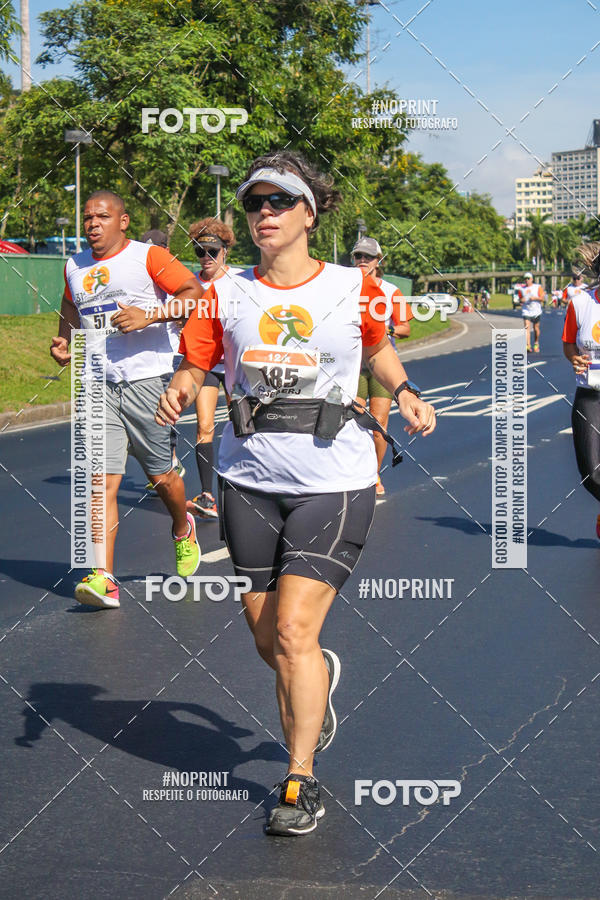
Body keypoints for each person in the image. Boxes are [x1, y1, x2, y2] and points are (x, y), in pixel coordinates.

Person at [156, 150, 436, 836]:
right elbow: (197, 361)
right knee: (268, 638)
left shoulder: (353, 286)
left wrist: (402, 391)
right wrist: (181, 388)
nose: (263, 214)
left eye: (278, 201)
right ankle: (318, 676)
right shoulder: (224, 293)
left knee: (291, 628)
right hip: (248, 476)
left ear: (310, 212)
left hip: (332, 478)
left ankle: (298, 779)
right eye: (253, 203)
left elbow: (375, 350)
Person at [50, 190, 203, 608]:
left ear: (123, 221)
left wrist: (149, 315)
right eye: (87, 218)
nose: (92, 224)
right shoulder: (74, 265)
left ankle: (180, 525)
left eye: (102, 216)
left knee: (162, 477)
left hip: (147, 380)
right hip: (94, 382)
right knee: (99, 482)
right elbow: (70, 305)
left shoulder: (148, 257)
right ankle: (104, 578)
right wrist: (65, 338)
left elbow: (194, 294)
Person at [186, 219, 244, 519]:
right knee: (204, 426)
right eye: (199, 250)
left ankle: (246, 487)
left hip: (235, 363)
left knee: (242, 423)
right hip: (207, 364)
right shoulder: (190, 286)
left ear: (225, 252)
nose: (206, 257)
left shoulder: (241, 281)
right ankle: (207, 495)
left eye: (212, 250)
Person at [351, 236, 413, 497]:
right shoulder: (344, 286)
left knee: (378, 423)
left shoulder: (390, 291)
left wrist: (385, 329)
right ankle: (350, 472)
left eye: (368, 257)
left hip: (380, 362)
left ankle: (373, 474)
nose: (363, 261)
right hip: (353, 363)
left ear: (379, 261)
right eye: (358, 256)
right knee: (352, 419)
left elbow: (405, 327)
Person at [561, 242, 600, 538]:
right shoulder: (580, 303)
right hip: (591, 396)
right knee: (591, 472)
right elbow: (569, 343)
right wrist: (574, 357)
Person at [517, 272, 544, 352]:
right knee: (527, 327)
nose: (527, 280)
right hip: (526, 310)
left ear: (532, 279)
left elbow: (542, 298)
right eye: (525, 278)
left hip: (536, 311)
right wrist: (522, 300)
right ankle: (528, 345)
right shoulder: (521, 289)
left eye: (528, 278)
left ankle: (536, 343)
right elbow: (520, 300)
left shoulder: (537, 287)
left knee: (536, 328)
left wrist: (535, 298)